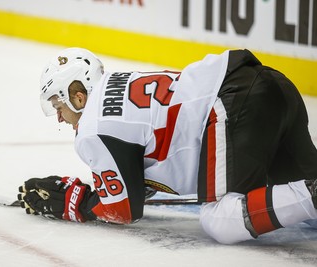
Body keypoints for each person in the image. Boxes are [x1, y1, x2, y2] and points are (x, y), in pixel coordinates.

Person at [18, 47, 317, 244]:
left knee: (219, 220)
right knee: (297, 188)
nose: (58, 115)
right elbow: (141, 170)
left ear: (78, 96)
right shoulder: (118, 81)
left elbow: (123, 211)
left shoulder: (92, 129)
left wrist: (79, 203)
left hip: (235, 107)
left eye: (58, 102)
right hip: (271, 83)